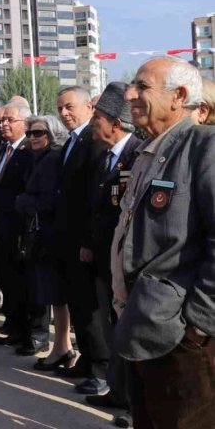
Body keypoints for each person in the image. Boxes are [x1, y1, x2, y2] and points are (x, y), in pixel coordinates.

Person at [114, 56, 215, 428]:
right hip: (143, 326)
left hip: (183, 341)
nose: (129, 94)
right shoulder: (149, 152)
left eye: (142, 86)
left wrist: (197, 326)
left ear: (180, 96)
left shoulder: (205, 147)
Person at [85, 82, 141, 412]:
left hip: (126, 259)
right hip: (104, 256)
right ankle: (118, 389)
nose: (94, 124)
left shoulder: (138, 154)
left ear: (115, 123)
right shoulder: (103, 157)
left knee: (125, 326)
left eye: (98, 119)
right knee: (110, 323)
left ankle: (129, 395)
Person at [54, 87, 109, 388]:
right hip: (68, 240)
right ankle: (87, 360)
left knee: (90, 309)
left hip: (85, 241)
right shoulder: (71, 143)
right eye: (60, 108)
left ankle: (100, 370)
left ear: (89, 106)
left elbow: (94, 196)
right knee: (77, 304)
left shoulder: (95, 140)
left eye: (70, 107)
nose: (64, 114)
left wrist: (88, 240)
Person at [15, 116, 74, 372]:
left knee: (58, 295)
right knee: (55, 296)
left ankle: (63, 347)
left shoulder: (51, 159)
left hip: (51, 236)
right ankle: (61, 347)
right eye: (29, 133)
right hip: (46, 235)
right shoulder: (39, 158)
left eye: (38, 132)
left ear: (52, 133)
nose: (32, 137)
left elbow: (47, 201)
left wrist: (22, 201)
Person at [0, 101, 48, 355]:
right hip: (3, 230)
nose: (3, 124)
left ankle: (35, 335)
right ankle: (15, 330)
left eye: (9, 120)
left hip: (24, 229)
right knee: (10, 283)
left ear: (24, 124)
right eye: (1, 120)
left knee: (29, 286)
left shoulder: (30, 152)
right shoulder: (2, 150)